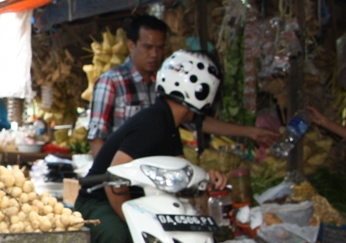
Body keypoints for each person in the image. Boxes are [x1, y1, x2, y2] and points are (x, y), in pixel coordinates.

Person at [76, 51, 231, 243]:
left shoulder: (167, 123)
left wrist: (206, 177)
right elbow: (116, 177)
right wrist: (132, 221)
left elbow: (179, 169)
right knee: (120, 235)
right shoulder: (153, 123)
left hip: (135, 200)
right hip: (98, 201)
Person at [88, 16, 278, 157]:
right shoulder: (111, 82)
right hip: (123, 176)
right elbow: (97, 137)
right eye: (148, 47)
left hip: (158, 176)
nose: (155, 54)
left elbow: (196, 119)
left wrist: (250, 132)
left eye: (160, 48)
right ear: (131, 45)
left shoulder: (168, 82)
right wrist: (107, 179)